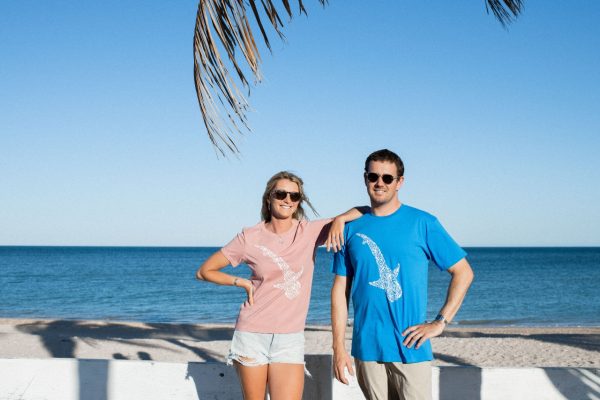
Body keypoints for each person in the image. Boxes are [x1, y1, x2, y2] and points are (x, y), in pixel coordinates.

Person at [196, 171, 362, 400]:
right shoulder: (249, 237)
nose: (288, 199)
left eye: (295, 196)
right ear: (268, 198)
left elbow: (363, 211)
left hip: (289, 338)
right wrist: (240, 281)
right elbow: (204, 271)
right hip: (252, 333)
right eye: (281, 193)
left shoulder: (310, 232)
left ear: (299, 203)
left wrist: (340, 220)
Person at [331, 149, 474, 400]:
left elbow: (463, 272)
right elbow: (340, 293)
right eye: (373, 176)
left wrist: (440, 323)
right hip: (367, 348)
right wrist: (338, 347)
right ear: (365, 178)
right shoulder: (348, 228)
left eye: (388, 178)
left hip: (411, 348)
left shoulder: (423, 223)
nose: (379, 183)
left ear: (400, 182)